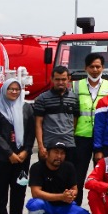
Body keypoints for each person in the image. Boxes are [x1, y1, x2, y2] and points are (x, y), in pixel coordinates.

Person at [0, 78, 35, 214]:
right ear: (4, 90)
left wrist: (26, 150)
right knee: (0, 189)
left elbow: (30, 132)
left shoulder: (26, 108)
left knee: (19, 187)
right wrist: (9, 153)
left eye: (17, 89)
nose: (14, 92)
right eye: (11, 89)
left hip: (22, 157)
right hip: (1, 157)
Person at [25, 141, 92, 214]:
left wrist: (71, 195)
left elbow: (75, 189)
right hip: (46, 207)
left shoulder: (69, 167)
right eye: (56, 152)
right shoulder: (36, 168)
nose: (59, 156)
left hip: (64, 207)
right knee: (35, 205)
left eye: (62, 153)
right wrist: (61, 197)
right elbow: (36, 193)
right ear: (47, 154)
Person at [33, 66, 81, 201]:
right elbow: (38, 123)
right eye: (57, 79)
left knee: (68, 178)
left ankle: (65, 213)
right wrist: (41, 146)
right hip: (48, 144)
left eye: (63, 79)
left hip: (69, 145)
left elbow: (75, 120)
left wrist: (68, 133)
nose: (60, 82)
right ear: (52, 79)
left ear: (68, 79)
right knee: (45, 181)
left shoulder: (74, 98)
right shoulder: (42, 99)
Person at [74, 53, 108, 175]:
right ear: (86, 68)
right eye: (91, 66)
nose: (95, 70)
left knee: (102, 175)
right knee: (78, 175)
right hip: (81, 136)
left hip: (103, 137)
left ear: (103, 67)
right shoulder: (76, 86)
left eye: (98, 66)